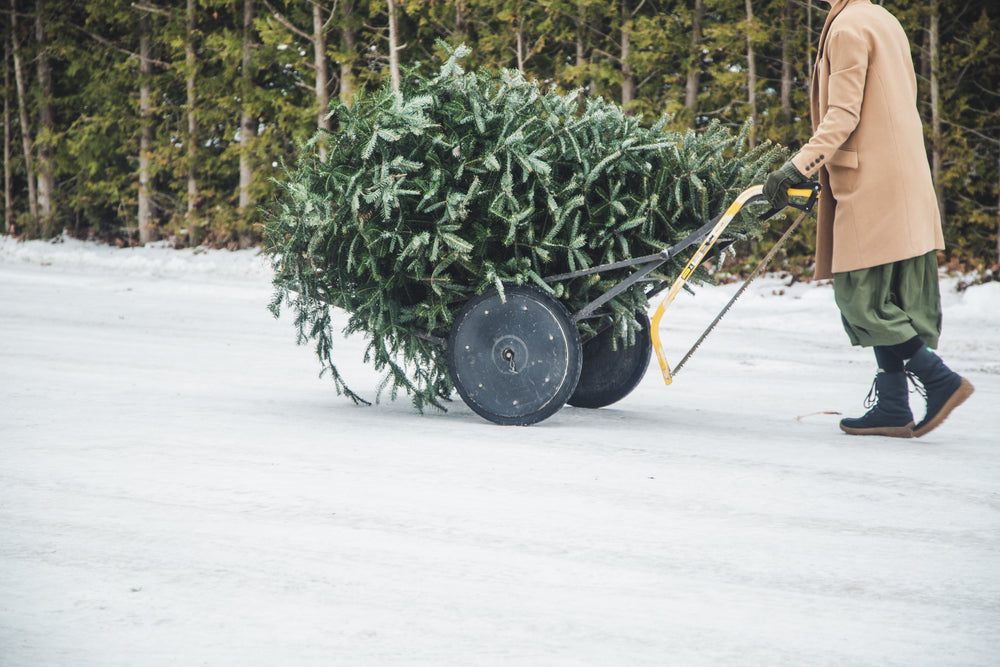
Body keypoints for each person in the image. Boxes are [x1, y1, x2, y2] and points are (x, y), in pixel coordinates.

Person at [763, 0, 973, 438]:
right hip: (900, 172)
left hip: (873, 181)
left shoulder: (847, 28)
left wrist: (797, 168)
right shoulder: (882, 19)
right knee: (890, 293)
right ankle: (895, 406)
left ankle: (939, 380)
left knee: (861, 296)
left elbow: (843, 114)